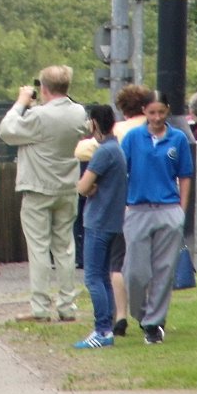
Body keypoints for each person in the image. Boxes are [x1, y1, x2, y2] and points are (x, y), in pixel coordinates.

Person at [0, 66, 89, 323]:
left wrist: (21, 103)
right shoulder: (78, 112)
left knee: (39, 248)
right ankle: (67, 306)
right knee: (65, 247)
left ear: (44, 88)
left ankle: (40, 307)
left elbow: (6, 131)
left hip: (38, 187)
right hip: (67, 186)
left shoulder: (38, 116)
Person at [121, 90, 193, 344]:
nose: (157, 117)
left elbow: (185, 175)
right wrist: (124, 207)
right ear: (144, 112)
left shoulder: (178, 139)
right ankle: (142, 314)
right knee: (135, 272)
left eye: (161, 112)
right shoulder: (132, 138)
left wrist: (181, 210)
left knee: (164, 269)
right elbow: (122, 173)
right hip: (138, 209)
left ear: (168, 111)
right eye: (152, 112)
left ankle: (154, 323)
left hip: (168, 208)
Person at [74, 105, 128, 349]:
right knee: (104, 277)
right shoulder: (117, 149)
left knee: (93, 277)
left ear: (94, 123)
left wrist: (88, 187)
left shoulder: (103, 152)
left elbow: (83, 187)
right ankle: (106, 328)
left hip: (98, 221)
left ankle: (102, 329)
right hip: (113, 221)